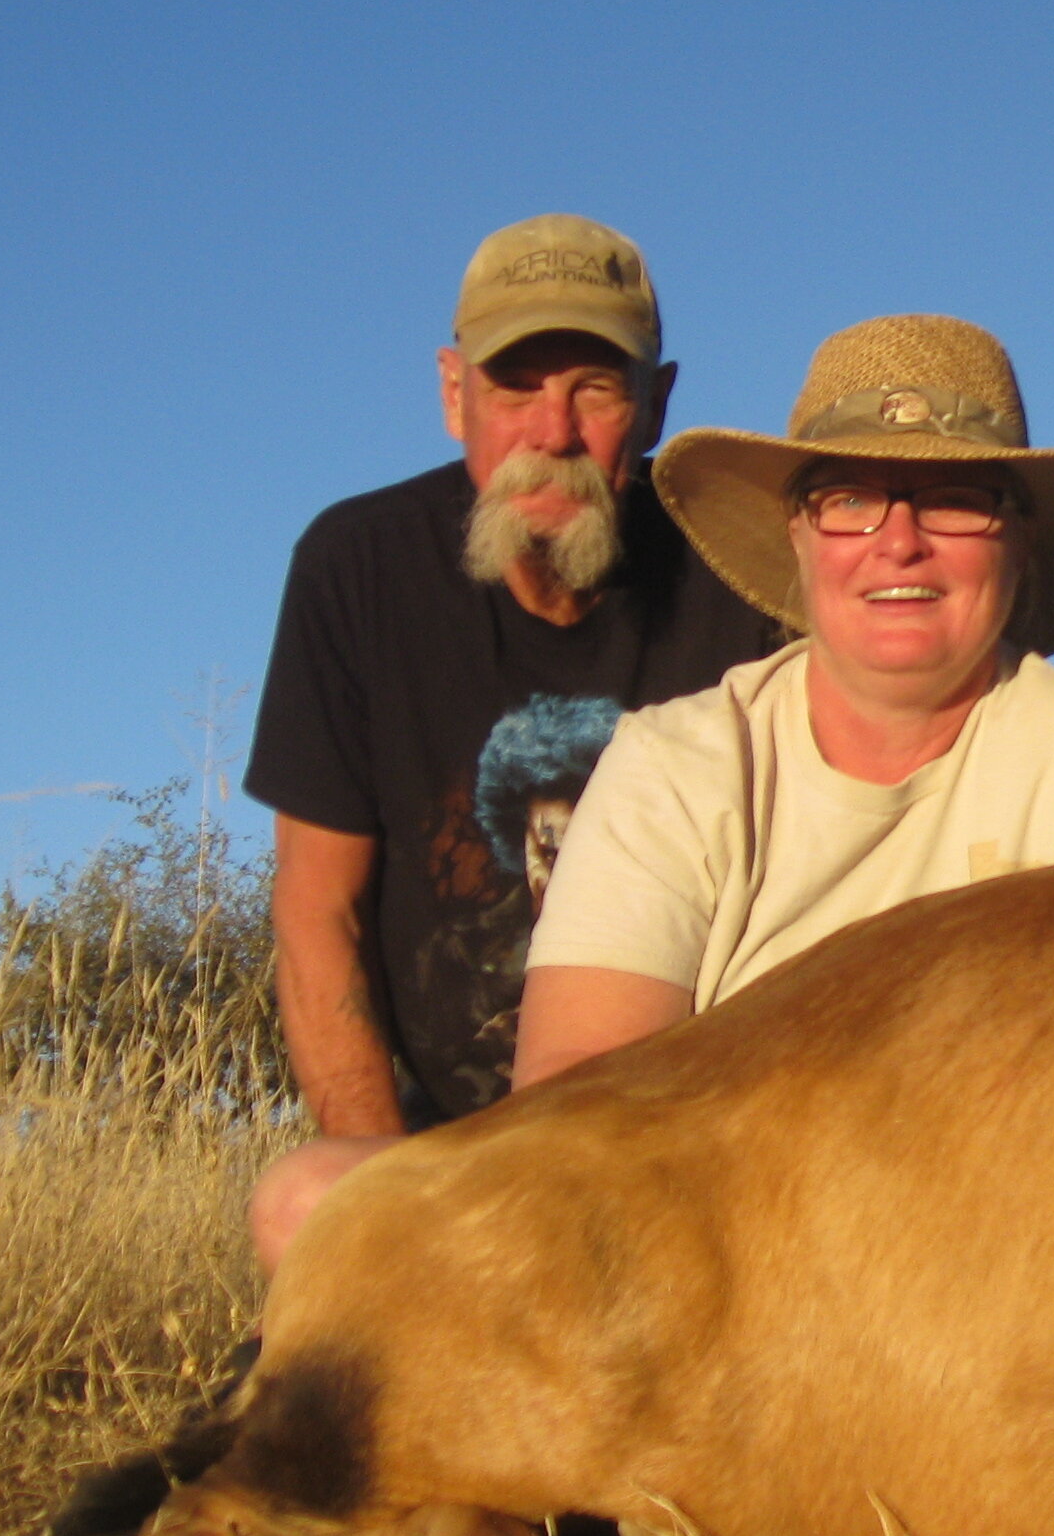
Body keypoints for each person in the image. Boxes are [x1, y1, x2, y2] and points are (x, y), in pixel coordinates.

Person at [241, 216, 773, 1267]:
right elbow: (317, 908)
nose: (554, 431)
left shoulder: (744, 582)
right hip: (456, 1160)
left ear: (658, 404)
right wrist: (390, 1199)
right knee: (309, 1208)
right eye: (515, 386)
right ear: (453, 397)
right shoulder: (356, 570)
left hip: (702, 1157)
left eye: (596, 388)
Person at [513, 313, 1054, 1079]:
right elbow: (568, 1089)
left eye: (955, 497)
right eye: (847, 500)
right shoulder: (675, 764)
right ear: (796, 537)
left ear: (1019, 540)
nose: (898, 540)